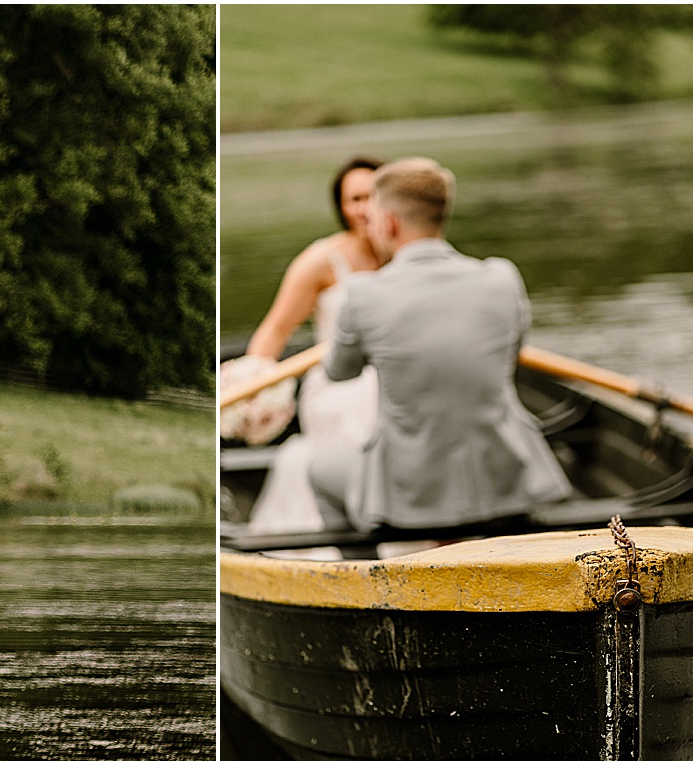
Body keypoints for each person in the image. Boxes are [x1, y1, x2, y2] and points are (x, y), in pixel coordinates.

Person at [310, 157, 570, 532]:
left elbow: (338, 371)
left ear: (389, 222)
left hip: (410, 502)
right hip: (506, 488)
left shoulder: (363, 293)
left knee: (315, 469)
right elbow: (510, 356)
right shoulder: (503, 278)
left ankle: (360, 575)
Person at [234, 156, 385, 535]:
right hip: (339, 381)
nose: (365, 208)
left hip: (398, 370)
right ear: (342, 207)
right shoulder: (320, 261)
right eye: (355, 199)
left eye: (373, 196)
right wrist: (253, 385)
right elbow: (276, 329)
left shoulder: (407, 252)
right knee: (360, 407)